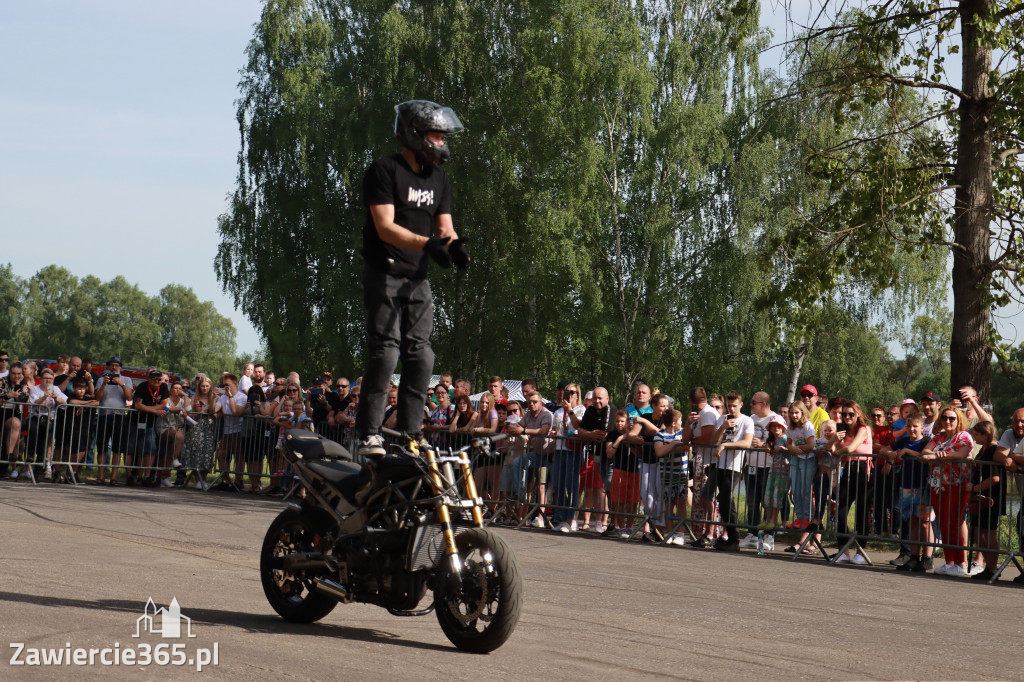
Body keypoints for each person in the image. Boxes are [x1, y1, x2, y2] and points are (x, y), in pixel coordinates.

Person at [354, 99, 469, 457]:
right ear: (415, 135)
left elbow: (445, 228)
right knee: (386, 355)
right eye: (437, 136)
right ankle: (370, 432)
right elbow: (385, 227)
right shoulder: (384, 170)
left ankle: (409, 433)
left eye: (443, 136)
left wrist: (454, 248)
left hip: (417, 279)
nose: (442, 143)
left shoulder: (439, 178)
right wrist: (428, 244)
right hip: (384, 273)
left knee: (422, 358)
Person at [921, 404, 975, 576]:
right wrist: (935, 455)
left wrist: (937, 456)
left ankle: (961, 562)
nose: (948, 421)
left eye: (952, 418)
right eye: (945, 418)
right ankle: (949, 561)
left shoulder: (964, 436)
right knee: (943, 523)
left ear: (958, 419)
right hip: (938, 485)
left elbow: (961, 454)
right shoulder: (939, 437)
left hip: (957, 484)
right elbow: (925, 452)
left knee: (954, 522)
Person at [886, 415, 932, 572]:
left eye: (915, 426)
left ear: (922, 428)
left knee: (925, 522)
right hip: (907, 485)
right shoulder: (904, 441)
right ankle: (913, 557)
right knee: (911, 520)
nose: (912, 429)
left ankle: (927, 557)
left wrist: (907, 451)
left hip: (922, 485)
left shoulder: (926, 442)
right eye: (909, 426)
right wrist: (890, 454)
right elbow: (886, 448)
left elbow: (926, 456)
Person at [709, 391, 754, 551]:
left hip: (733, 466)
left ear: (741, 405)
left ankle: (734, 539)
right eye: (729, 406)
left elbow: (747, 442)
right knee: (723, 502)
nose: (732, 409)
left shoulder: (747, 421)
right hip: (719, 464)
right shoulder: (723, 419)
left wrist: (725, 445)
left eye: (734, 406)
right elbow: (713, 440)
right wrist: (723, 427)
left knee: (728, 501)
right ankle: (729, 538)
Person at [834, 400, 873, 564]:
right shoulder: (841, 430)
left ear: (858, 414)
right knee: (840, 511)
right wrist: (834, 441)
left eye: (851, 414)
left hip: (863, 469)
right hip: (848, 469)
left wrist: (840, 452)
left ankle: (860, 551)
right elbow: (831, 449)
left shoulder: (863, 429)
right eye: (844, 414)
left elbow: (850, 449)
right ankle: (844, 549)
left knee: (862, 513)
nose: (847, 417)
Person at [967, 420, 1004, 580]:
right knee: (977, 532)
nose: (975, 436)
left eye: (977, 434)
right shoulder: (984, 449)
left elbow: (994, 478)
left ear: (986, 434)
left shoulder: (993, 450)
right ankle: (989, 567)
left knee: (988, 533)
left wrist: (975, 488)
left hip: (990, 498)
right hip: (980, 499)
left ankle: (992, 568)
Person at [550, 383, 587, 532]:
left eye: (572, 392)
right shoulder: (557, 412)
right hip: (560, 449)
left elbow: (578, 427)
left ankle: (570, 519)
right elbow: (555, 429)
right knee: (558, 485)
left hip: (574, 450)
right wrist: (553, 434)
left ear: (577, 395)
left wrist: (570, 411)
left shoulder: (581, 410)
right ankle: (559, 518)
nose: (569, 395)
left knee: (571, 486)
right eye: (567, 392)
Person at [0, 361, 31, 478]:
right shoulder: (2, 381)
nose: (16, 376)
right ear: (10, 373)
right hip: (2, 410)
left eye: (19, 374)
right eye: (14, 374)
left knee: (16, 424)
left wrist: (18, 384)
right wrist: (8, 396)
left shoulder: (23, 384)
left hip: (14, 413)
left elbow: (24, 399)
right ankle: (4, 465)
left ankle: (9, 455)